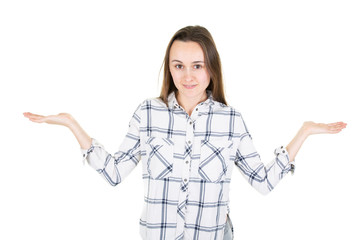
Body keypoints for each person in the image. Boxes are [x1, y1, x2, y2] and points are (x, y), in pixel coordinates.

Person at [23, 25, 346, 240]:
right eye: (178, 65)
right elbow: (115, 173)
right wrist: (71, 124)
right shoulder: (147, 113)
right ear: (169, 68)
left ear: (211, 68)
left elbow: (262, 183)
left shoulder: (231, 120)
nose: (188, 76)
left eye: (197, 65)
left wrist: (304, 133)